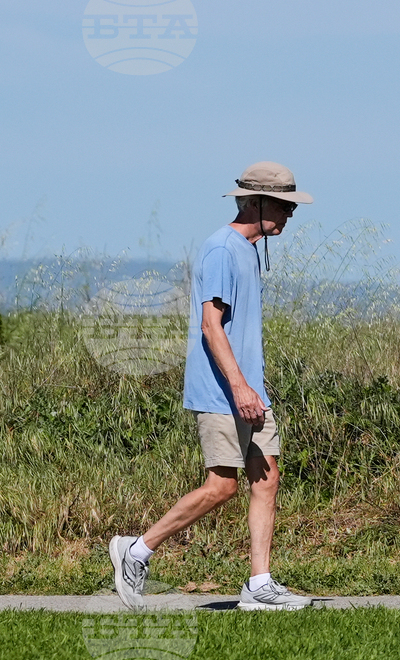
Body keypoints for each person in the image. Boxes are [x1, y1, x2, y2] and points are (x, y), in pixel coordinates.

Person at [109, 162, 314, 611]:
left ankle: (259, 585)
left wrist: (252, 387)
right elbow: (210, 325)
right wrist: (239, 388)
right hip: (224, 392)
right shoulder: (221, 249)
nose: (290, 215)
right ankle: (137, 550)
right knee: (222, 486)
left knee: (267, 478)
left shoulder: (247, 250)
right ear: (256, 203)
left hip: (249, 389)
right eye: (283, 206)